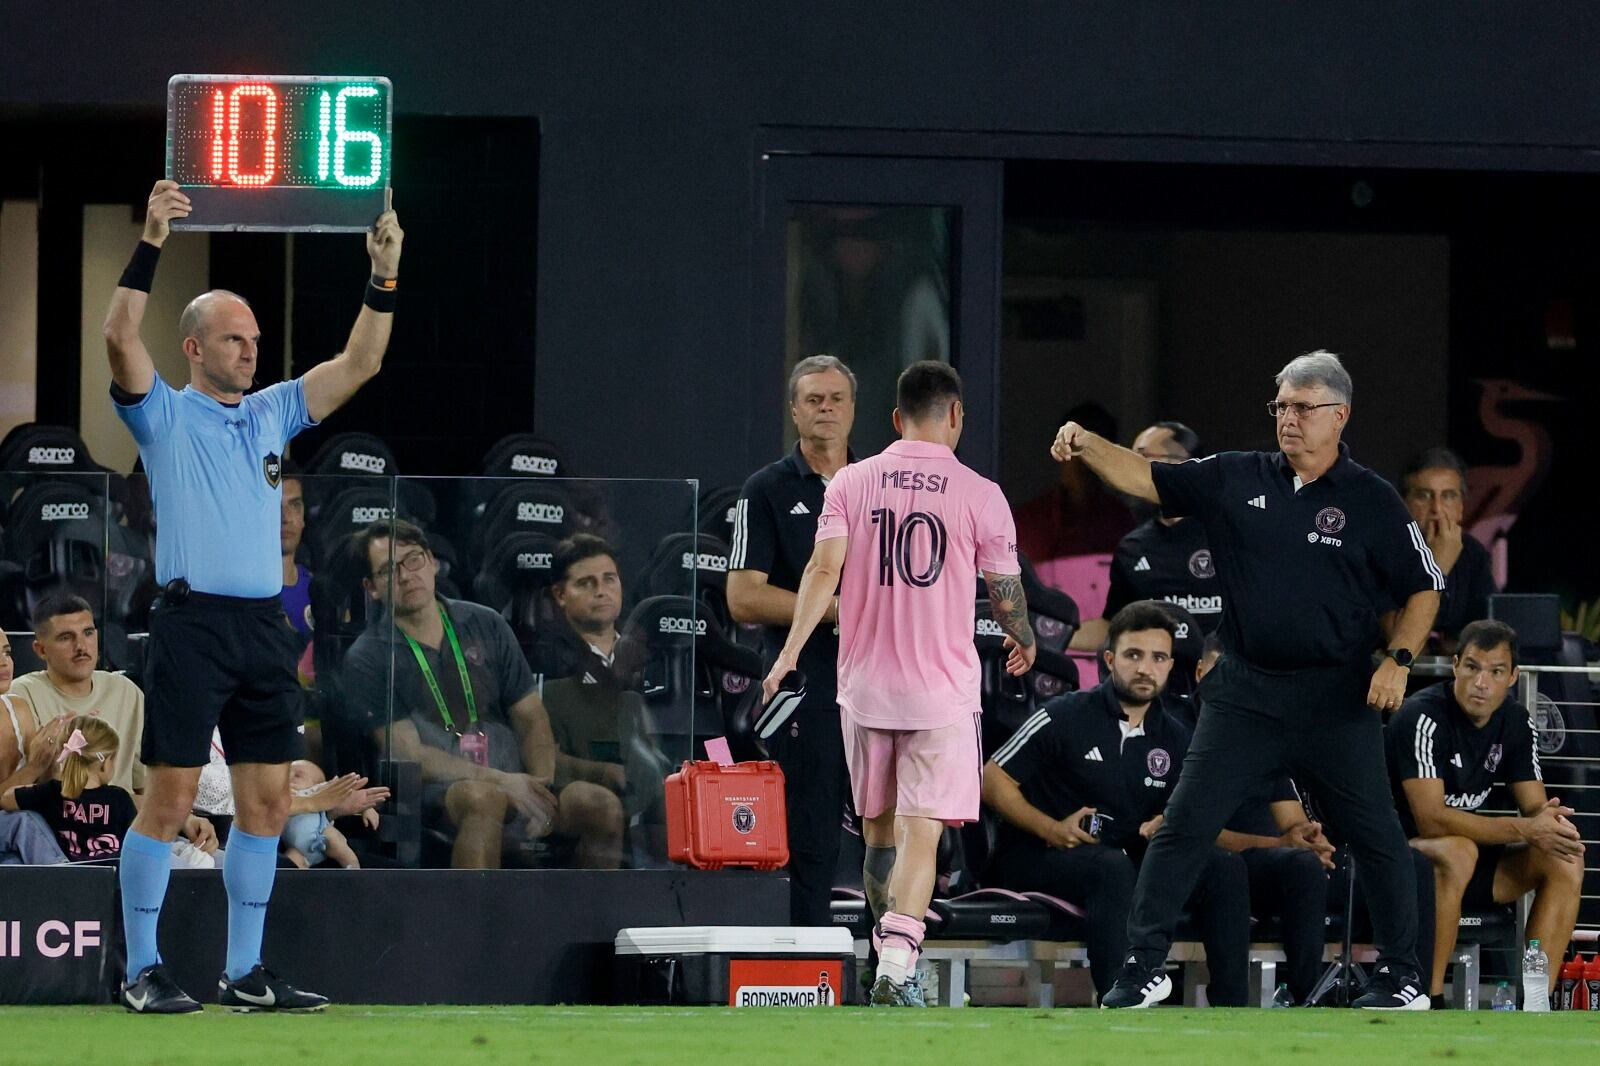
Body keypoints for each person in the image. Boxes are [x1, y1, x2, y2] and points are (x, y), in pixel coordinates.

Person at [1053, 350, 1445, 1010]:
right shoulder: (1237, 476)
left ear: (1339, 415)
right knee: (1183, 825)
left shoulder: (1371, 498)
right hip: (1246, 690)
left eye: (1302, 407)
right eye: (1281, 406)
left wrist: (1398, 660)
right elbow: (1149, 478)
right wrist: (1089, 444)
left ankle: (1402, 977)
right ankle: (1142, 966)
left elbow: (1425, 589)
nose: (1287, 419)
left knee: (1375, 837)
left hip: (1336, 694)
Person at [103, 177, 402, 1013]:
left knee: (266, 800)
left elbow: (363, 361)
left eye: (255, 338)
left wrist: (382, 276)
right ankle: (140, 972)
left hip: (263, 626)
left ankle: (244, 973)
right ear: (195, 348)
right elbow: (118, 330)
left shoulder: (272, 411)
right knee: (167, 796)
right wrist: (153, 237)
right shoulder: (161, 413)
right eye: (234, 340)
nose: (250, 350)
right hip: (192, 623)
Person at [763, 360, 1036, 1007]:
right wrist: (1024, 637)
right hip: (939, 693)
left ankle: (876, 955)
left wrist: (788, 656)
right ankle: (897, 967)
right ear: (956, 416)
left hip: (863, 689)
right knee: (924, 834)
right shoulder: (980, 492)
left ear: (894, 418)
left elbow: (821, 569)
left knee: (879, 834)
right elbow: (1005, 593)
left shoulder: (852, 482)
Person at [984, 603, 1252, 1005]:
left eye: (1158, 657)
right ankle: (1119, 996)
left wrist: (1167, 820)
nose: (1146, 668)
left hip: (1123, 856)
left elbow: (1190, 809)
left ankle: (1234, 1006)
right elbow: (992, 778)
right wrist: (1052, 829)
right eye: (1133, 655)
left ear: (1170, 665)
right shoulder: (1064, 715)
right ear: (1109, 660)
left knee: (1223, 868)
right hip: (1037, 854)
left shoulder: (1177, 737)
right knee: (1111, 867)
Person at [342, 521, 623, 870]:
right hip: (435, 793)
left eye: (413, 560)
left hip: (517, 776)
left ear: (431, 561)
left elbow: (530, 716)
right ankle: (473, 923)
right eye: (388, 570)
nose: (405, 575)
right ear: (371, 588)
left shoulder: (484, 623)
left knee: (599, 805)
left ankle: (590, 922)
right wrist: (504, 782)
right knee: (483, 799)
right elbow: (408, 754)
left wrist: (539, 785)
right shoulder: (368, 656)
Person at [1387, 619, 1584, 1001]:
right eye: (1473, 667)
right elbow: (1431, 820)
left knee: (1565, 859)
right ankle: (1429, 998)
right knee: (1457, 849)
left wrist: (1551, 824)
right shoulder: (1422, 716)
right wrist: (1527, 829)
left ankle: (1537, 1001)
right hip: (1403, 864)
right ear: (1455, 665)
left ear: (1513, 677)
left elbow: (1535, 806)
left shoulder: (1515, 721)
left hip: (1474, 867)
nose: (1482, 682)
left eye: (1495, 672)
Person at [729, 354, 857, 927]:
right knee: (813, 832)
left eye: (835, 399)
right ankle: (810, 971)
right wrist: (839, 610)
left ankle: (892, 969)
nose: (825, 409)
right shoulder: (766, 489)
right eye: (813, 400)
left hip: (884, 675)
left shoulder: (880, 482)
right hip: (808, 681)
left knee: (894, 826)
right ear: (793, 410)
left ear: (853, 409)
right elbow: (743, 597)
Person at [1189, 636, 1336, 1006]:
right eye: (1223, 672)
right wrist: (1281, 844)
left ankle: (1308, 997)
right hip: (1202, 868)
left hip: (1260, 864)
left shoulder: (1261, 738)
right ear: (1200, 672)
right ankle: (1231, 1001)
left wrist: (1308, 838)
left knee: (1304, 866)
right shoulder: (1180, 733)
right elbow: (1192, 832)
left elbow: (1291, 819)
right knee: (1228, 869)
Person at [1070, 422, 1222, 651]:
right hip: (1157, 681)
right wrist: (1038, 635)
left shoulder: (1230, 531)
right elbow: (1114, 627)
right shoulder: (1133, 547)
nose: (1128, 467)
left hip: (1224, 680)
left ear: (1182, 463)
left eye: (1140, 457)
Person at [1013, 401, 1136, 569]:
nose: (1083, 459)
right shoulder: (1028, 521)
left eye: (1094, 450)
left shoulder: (1121, 522)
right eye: (1073, 446)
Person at [1396, 448, 1499, 650]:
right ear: (1402, 504)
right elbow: (1400, 642)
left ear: (1460, 507)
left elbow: (1488, 635)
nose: (1437, 508)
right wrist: (1437, 565)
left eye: (1449, 496)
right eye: (1423, 496)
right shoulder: (1383, 551)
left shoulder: (1473, 553)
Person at [2, 717, 136, 863]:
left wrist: (35, 785)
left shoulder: (51, 792)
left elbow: (6, 799)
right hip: (109, 878)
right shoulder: (119, 798)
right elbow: (135, 841)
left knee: (13, 853)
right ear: (105, 764)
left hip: (64, 876)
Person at [282, 760, 368, 869]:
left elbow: (350, 795)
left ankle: (353, 869)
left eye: (298, 775)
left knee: (336, 843)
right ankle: (303, 882)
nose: (289, 777)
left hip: (321, 833)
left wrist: (366, 809)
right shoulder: (282, 794)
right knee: (291, 860)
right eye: (286, 773)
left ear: (315, 783)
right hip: (297, 849)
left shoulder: (318, 790)